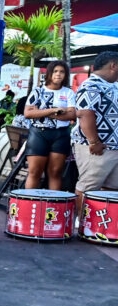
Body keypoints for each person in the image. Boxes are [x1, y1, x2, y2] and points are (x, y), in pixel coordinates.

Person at [73, 51, 118, 216]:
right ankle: (82, 223)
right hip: (96, 147)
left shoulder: (112, 85)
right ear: (113, 66)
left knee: (111, 187)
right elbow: (85, 113)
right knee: (89, 186)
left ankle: (103, 224)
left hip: (112, 147)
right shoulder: (91, 85)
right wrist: (94, 141)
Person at [23, 61, 76, 190]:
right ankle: (29, 206)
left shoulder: (68, 93)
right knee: (35, 172)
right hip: (39, 134)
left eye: (62, 72)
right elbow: (28, 114)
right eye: (55, 71)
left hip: (61, 134)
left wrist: (40, 112)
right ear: (49, 73)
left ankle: (53, 206)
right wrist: (54, 110)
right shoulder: (38, 91)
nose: (58, 74)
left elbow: (72, 115)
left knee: (55, 172)